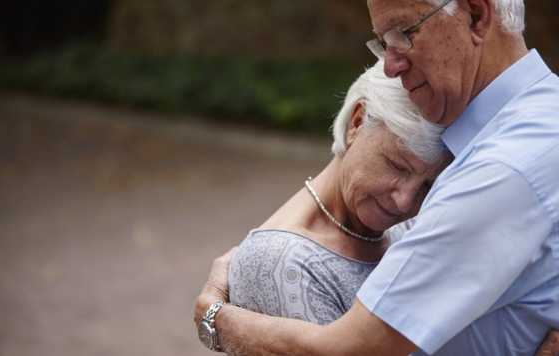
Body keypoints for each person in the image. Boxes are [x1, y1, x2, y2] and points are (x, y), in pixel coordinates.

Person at [195, 0, 559, 355]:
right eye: (385, 42)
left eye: (404, 32)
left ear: (476, 14)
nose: (390, 65)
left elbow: (353, 348)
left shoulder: (498, 170)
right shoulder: (541, 117)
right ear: (357, 122)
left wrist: (214, 318)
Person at [228, 62, 448, 325]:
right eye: (397, 166)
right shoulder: (282, 261)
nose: (405, 201)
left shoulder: (419, 225)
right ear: (357, 122)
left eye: (427, 186)